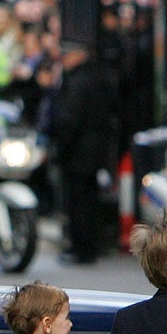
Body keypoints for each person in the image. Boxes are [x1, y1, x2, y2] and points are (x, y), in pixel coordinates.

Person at [50, 41, 119, 264]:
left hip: (78, 153)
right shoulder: (99, 78)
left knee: (78, 203)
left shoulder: (76, 81)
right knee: (90, 202)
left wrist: (60, 147)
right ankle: (91, 246)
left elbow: (69, 118)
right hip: (95, 151)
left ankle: (81, 248)